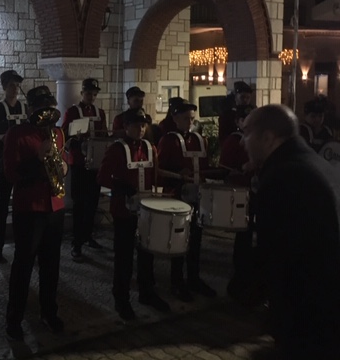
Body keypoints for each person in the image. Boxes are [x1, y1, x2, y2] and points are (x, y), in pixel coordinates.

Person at [241, 104, 340, 358]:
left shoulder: (284, 175)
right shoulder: (311, 162)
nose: (243, 141)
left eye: (247, 133)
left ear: (268, 138)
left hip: (310, 314)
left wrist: (246, 290)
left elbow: (277, 254)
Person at [3, 86, 67, 341]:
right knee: (23, 266)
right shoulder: (17, 134)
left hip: (55, 206)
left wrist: (65, 165)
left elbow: (65, 159)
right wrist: (37, 159)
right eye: (40, 108)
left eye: (49, 107)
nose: (46, 113)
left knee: (51, 265)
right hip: (29, 209)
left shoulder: (58, 133)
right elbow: (11, 174)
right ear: (30, 109)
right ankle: (14, 319)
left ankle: (49, 312)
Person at [97, 108, 170, 321]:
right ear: (126, 126)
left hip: (147, 210)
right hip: (124, 211)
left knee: (147, 254)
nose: (141, 129)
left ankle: (147, 293)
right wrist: (120, 186)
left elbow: (155, 177)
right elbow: (102, 177)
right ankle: (121, 299)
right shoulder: (116, 149)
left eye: (143, 125)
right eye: (137, 125)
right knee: (124, 257)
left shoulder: (150, 148)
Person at [157, 99, 217, 301]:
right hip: (178, 196)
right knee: (178, 240)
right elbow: (159, 170)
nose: (189, 122)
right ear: (175, 119)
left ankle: (194, 278)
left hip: (197, 195)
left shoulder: (199, 139)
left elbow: (204, 166)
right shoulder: (168, 140)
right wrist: (177, 173)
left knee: (196, 240)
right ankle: (176, 282)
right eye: (185, 118)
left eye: (191, 118)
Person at [61, 78, 108, 259]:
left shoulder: (100, 112)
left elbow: (104, 134)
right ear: (82, 93)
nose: (91, 97)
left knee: (92, 202)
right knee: (79, 204)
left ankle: (88, 236)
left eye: (94, 94)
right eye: (88, 93)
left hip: (95, 163)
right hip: (79, 162)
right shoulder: (73, 111)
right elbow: (64, 134)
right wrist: (75, 136)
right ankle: (77, 242)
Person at [0, 70, 27, 264]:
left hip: (23, 164)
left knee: (21, 208)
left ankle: (22, 247)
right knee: (2, 207)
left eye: (17, 85)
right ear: (4, 87)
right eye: (11, 85)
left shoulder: (25, 108)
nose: (15, 89)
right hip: (4, 164)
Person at [218, 105, 257, 302]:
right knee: (244, 234)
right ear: (238, 122)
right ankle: (241, 274)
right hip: (242, 193)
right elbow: (224, 169)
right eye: (245, 119)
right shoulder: (233, 140)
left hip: (258, 191)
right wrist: (243, 167)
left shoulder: (259, 138)